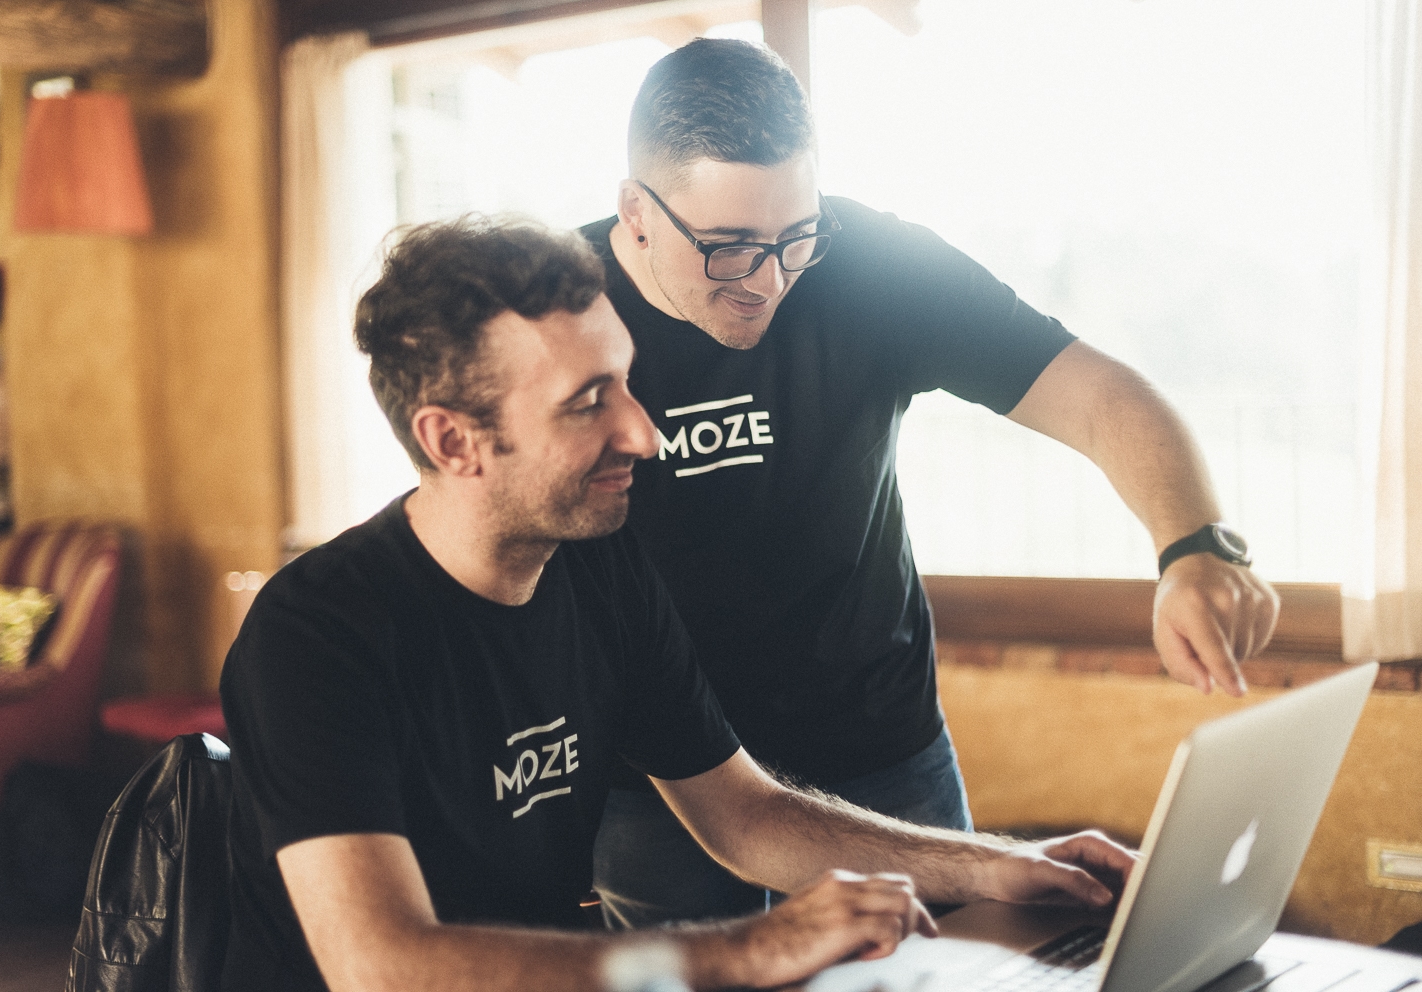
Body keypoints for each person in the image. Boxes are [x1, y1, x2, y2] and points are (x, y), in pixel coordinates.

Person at [219, 215, 1137, 992]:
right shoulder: (316, 635)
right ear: (453, 441)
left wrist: (1000, 865)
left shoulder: (600, 569)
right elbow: (383, 966)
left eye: (626, 380)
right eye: (589, 402)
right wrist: (749, 948)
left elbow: (744, 816)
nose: (644, 432)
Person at [582, 37, 1281, 928]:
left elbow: (1099, 393)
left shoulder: (869, 264)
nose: (770, 279)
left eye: (796, 236)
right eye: (728, 247)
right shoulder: (562, 308)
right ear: (636, 211)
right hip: (662, 783)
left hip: (881, 745)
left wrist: (1194, 544)